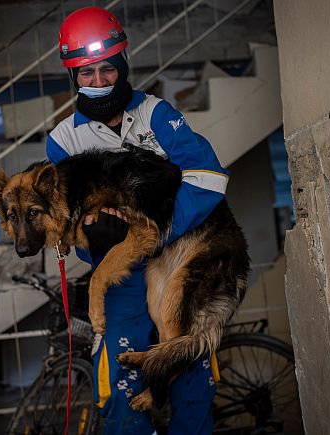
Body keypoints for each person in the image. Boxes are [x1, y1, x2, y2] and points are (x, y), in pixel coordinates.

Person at [46, 7, 228, 435]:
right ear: (73, 77)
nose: (98, 82)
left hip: (179, 265)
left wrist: (158, 231)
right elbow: (69, 222)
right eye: (86, 74)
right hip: (121, 282)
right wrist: (94, 240)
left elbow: (208, 178)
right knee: (121, 400)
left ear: (123, 63)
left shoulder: (157, 115)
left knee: (192, 386)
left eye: (107, 69)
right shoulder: (63, 142)